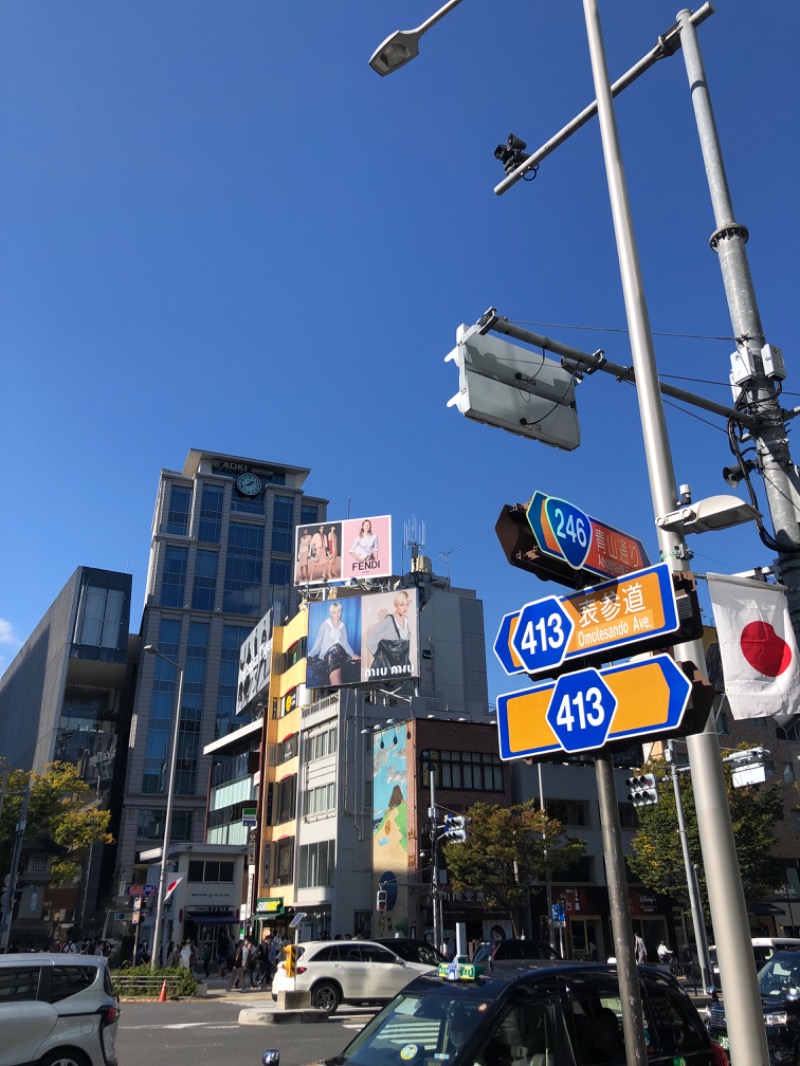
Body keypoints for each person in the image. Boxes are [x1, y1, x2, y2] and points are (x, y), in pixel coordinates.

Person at [308, 601, 360, 685]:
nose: (337, 614)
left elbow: (345, 644)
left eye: (339, 611)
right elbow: (318, 642)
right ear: (331, 613)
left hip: (341, 653)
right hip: (329, 655)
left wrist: (352, 655)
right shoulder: (325, 624)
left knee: (357, 663)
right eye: (334, 612)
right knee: (335, 654)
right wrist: (310, 655)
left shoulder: (343, 625)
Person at [365, 591, 412, 679]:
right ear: (396, 605)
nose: (405, 608)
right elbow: (369, 641)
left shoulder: (406, 620)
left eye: (407, 604)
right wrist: (380, 656)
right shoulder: (389, 620)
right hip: (387, 669)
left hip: (402, 667)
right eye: (402, 605)